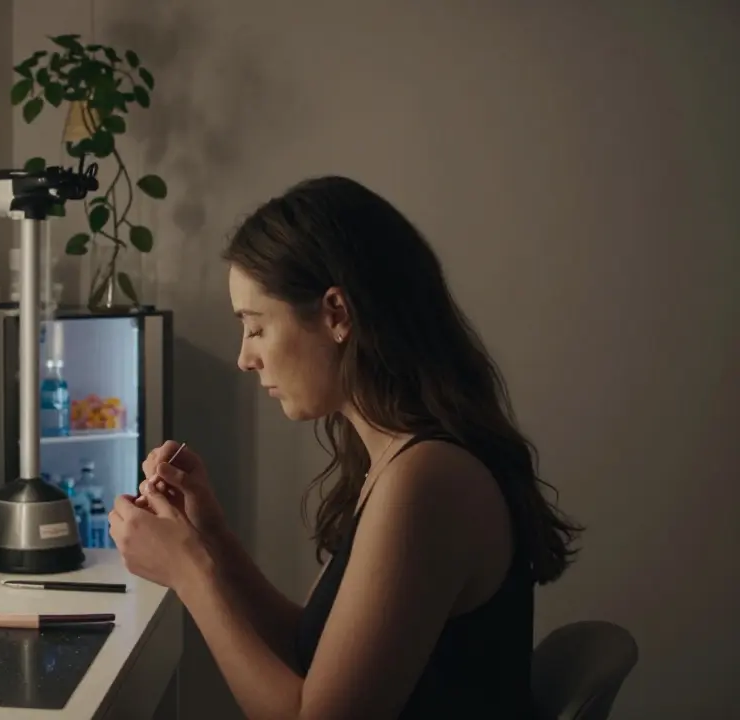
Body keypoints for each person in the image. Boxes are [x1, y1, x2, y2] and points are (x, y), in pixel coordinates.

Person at [108, 176, 582, 719]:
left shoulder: (428, 481)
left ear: (336, 313)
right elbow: (309, 650)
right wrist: (209, 537)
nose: (244, 357)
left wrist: (189, 573)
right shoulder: (397, 461)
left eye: (256, 328)